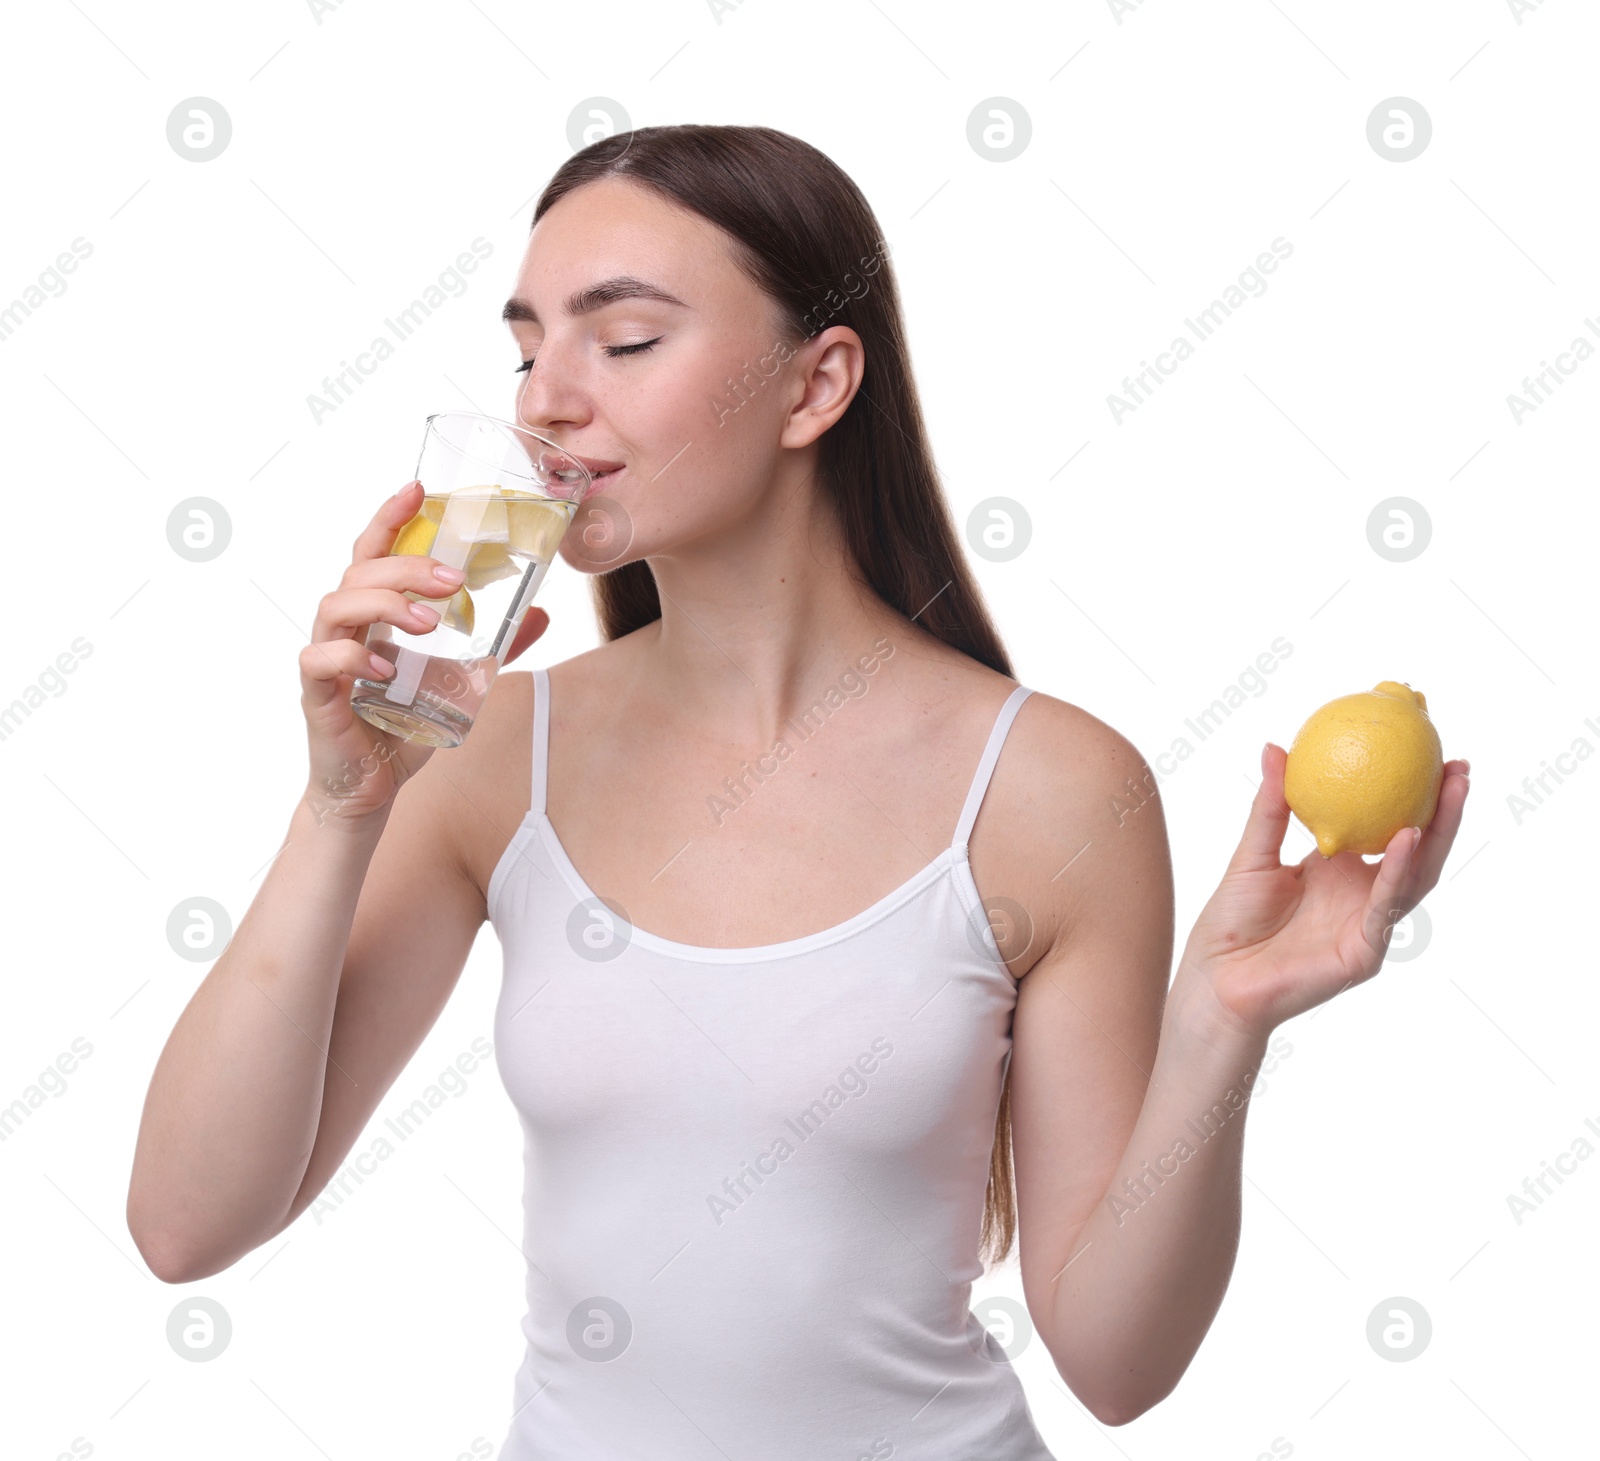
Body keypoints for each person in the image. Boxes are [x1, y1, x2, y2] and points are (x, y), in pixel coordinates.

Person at [126, 124, 1471, 1457]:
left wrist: (1220, 1028)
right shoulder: (488, 750)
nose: (543, 399)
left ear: (816, 384)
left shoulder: (1052, 788)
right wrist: (340, 809)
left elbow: (1117, 1365)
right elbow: (187, 1223)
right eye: (528, 346)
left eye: (627, 339)